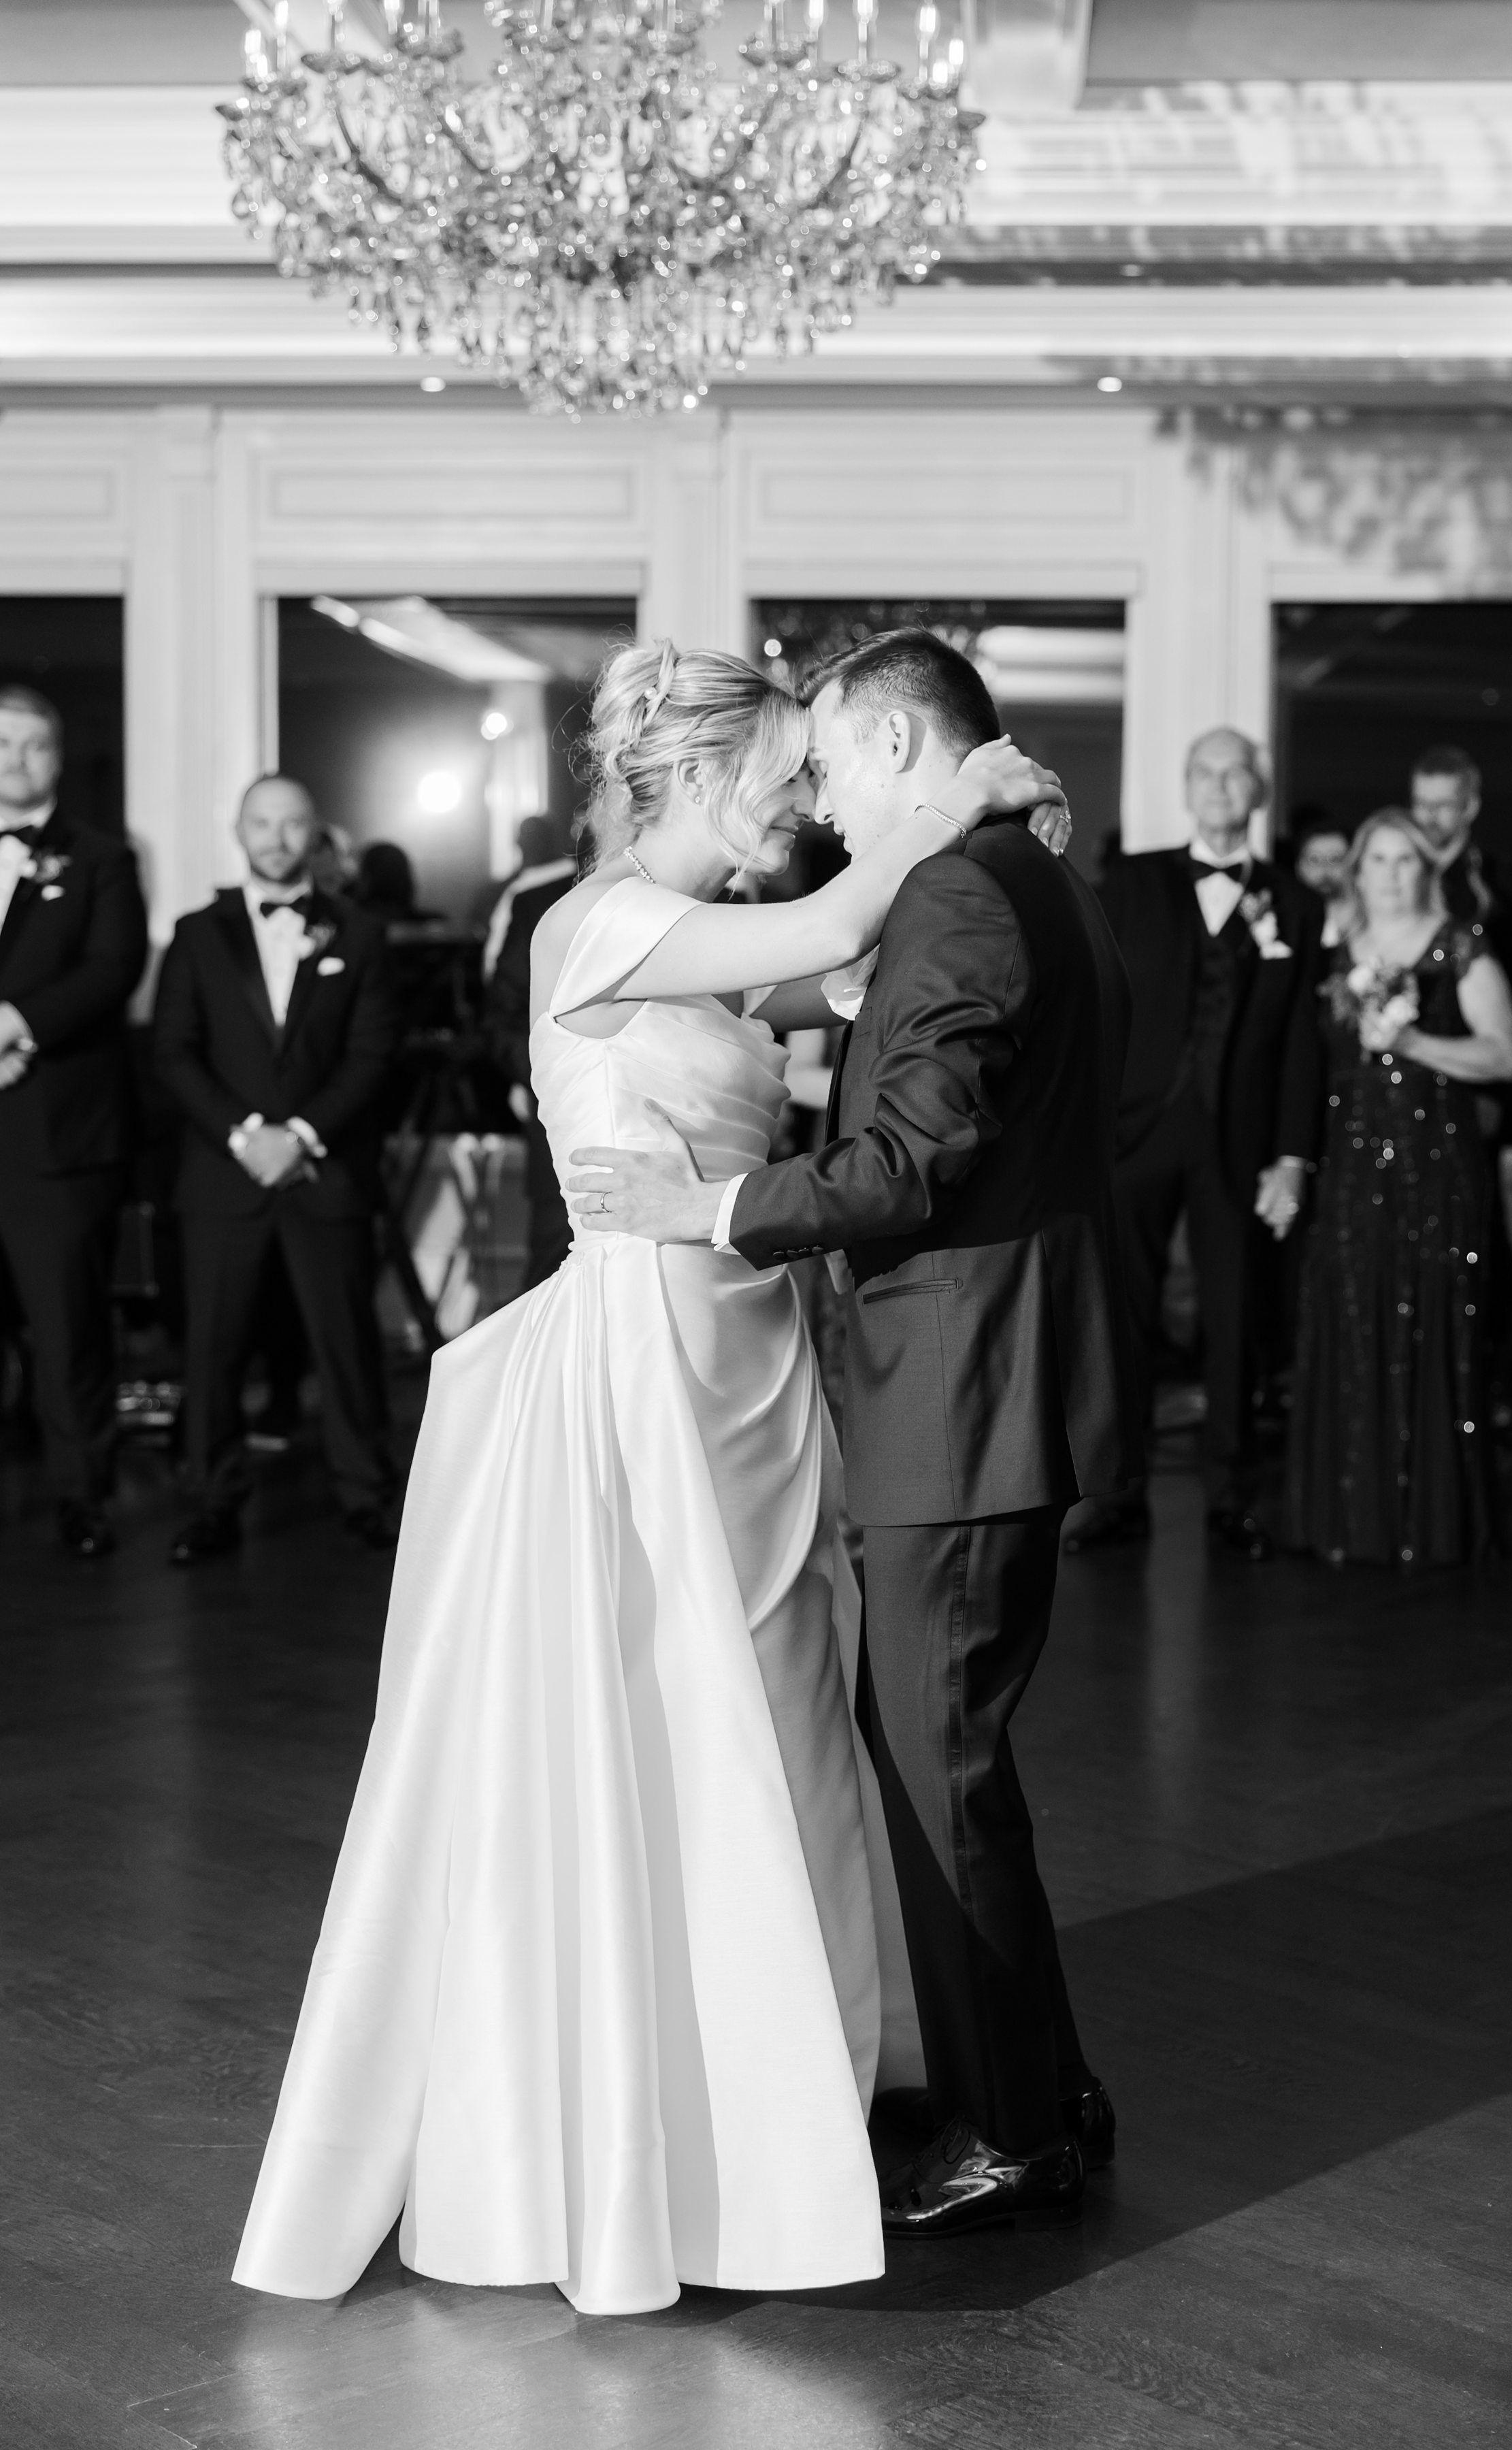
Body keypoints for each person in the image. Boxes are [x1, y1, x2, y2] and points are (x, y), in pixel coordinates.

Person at [232, 643, 1072, 2315]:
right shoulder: (598, 923)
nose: (803, 810)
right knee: (679, 1711)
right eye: (782, 778)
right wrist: (974, 788)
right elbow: (840, 935)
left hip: (754, 1350)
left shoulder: (705, 949)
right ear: (689, 779)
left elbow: (838, 991)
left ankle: (802, 2061)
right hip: (656, 1359)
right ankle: (673, 2105)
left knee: (777, 1711)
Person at [572, 630, 1132, 2245]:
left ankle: (1012, 2133)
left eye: (822, 761)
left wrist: (710, 1205)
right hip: (977, 1372)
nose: (811, 793)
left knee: (939, 1760)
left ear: (896, 749)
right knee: (952, 1757)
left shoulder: (959, 891)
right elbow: (846, 984)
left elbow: (900, 1166)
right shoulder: (1027, 879)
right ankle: (1047, 2086)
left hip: (956, 1388)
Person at [1081, 726, 1324, 1560]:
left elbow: (1301, 1039)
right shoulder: (1132, 883)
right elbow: (1094, 1005)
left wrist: (1293, 1155)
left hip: (1241, 1142)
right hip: (1136, 1132)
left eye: (1236, 773)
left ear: (1258, 790)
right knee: (1126, 1318)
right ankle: (1118, 1496)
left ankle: (1231, 1495)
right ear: (1189, 789)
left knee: (1236, 1320)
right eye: (1206, 773)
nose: (1221, 787)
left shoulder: (1297, 903)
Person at [152, 774, 399, 1563]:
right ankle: (213, 1500)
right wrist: (245, 1134)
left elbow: (372, 1055)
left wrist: (299, 1134)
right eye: (263, 822)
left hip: (322, 1169)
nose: (278, 838)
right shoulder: (196, 934)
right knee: (213, 1348)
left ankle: (367, 1496)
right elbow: (173, 1051)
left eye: (293, 823)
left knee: (346, 1343)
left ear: (315, 834)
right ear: (239, 830)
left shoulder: (358, 933)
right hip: (224, 1172)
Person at [1285, 811, 1512, 1567]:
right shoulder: (1328, 950)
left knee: (1434, 1323)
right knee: (1353, 1319)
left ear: (1426, 870)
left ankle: (1433, 1520)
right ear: (1357, 870)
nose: (1391, 874)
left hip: (1438, 1167)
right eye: (1378, 860)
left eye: (1405, 860)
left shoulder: (1462, 949)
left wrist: (1413, 1041)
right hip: (1351, 1167)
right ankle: (1353, 1517)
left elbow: (1506, 1056)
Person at [0, 685, 148, 1558]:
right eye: (1, 741)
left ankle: (82, 1495)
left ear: (58, 757)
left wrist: (12, 1025)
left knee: (66, 1329)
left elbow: (112, 967)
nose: (14, 758)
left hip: (54, 1138)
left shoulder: (102, 859)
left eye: (32, 744)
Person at [1410, 745, 1512, 1426]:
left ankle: (1496, 1387)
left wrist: (1500, 1098)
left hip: (1474, 1090)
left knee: (1483, 1235)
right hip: (1404, 1088)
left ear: (1471, 807)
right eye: (1422, 804)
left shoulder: (1504, 888)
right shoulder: (1396, 874)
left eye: (1445, 805)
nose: (1432, 819)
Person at [484, 811, 580, 1289]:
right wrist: (546, 1081)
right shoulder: (534, 902)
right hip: (558, 1124)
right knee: (551, 1267)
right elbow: (502, 1015)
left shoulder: (707, 896)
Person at [481, 811, 578, 979]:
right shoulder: (515, 885)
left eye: (531, 838)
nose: (525, 844)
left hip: (526, 987)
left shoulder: (523, 891)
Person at [1294, 813, 1353, 945]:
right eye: (1314, 860)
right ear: (1299, 867)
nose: (1324, 870)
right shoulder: (1285, 925)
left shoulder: (1371, 924)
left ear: (1353, 866)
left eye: (1335, 859)